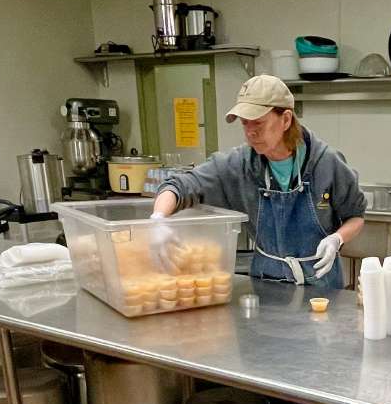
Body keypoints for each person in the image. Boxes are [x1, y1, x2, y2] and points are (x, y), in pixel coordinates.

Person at [151, 74, 365, 288]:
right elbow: (178, 186)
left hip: (321, 283)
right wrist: (158, 219)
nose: (250, 132)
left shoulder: (326, 163)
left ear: (286, 119)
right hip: (267, 285)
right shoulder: (239, 164)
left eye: (258, 123)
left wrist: (337, 239)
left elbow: (356, 216)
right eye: (245, 123)